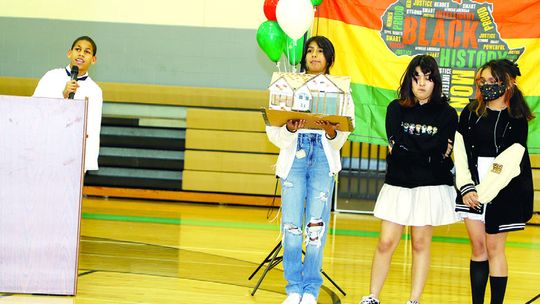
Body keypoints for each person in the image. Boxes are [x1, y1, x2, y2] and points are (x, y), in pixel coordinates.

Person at [359, 55, 458, 304]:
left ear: (436, 82)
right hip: (398, 184)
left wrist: (414, 150)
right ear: (409, 82)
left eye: (427, 78)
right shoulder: (395, 108)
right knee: (385, 242)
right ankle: (373, 296)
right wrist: (425, 149)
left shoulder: (448, 114)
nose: (421, 84)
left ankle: (414, 300)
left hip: (431, 185)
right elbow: (398, 148)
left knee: (420, 244)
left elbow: (441, 154)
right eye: (416, 78)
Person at [265, 36, 355, 304]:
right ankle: (293, 287)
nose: (314, 55)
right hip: (295, 157)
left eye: (320, 51)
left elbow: (345, 132)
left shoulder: (341, 90)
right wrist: (290, 128)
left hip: (323, 161)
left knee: (315, 227)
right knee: (291, 226)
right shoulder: (287, 84)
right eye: (310, 51)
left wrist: (330, 132)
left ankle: (311, 289)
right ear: (303, 56)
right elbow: (273, 128)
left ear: (330, 58)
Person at [454, 59, 534, 304]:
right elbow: (460, 148)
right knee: (478, 248)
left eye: (492, 81)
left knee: (495, 249)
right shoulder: (470, 112)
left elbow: (508, 161)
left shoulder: (517, 117)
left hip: (504, 188)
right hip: (471, 187)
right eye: (483, 81)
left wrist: (484, 193)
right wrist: (467, 187)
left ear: (507, 83)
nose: (487, 86)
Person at [33, 35, 103, 172]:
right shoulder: (51, 77)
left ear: (93, 60)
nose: (81, 54)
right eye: (78, 49)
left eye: (87, 52)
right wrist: (62, 96)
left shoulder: (95, 90)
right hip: (46, 146)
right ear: (69, 53)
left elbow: (93, 128)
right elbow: (35, 110)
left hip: (73, 153)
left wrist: (87, 162)